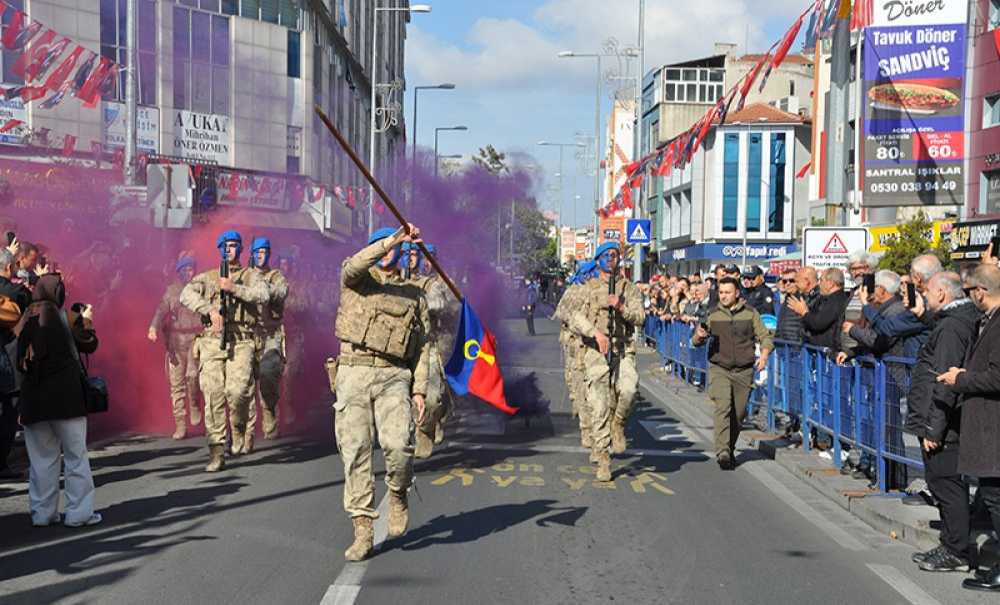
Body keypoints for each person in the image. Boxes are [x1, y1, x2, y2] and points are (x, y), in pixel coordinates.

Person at [333, 225, 430, 562]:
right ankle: (363, 530)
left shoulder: (414, 295)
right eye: (380, 246)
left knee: (399, 446)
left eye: (394, 247)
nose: (388, 252)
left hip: (393, 374)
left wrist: (419, 389)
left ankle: (398, 491)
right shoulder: (357, 280)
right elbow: (354, 265)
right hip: (353, 370)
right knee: (356, 451)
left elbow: (423, 347)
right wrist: (391, 240)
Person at [902, 272, 977, 573]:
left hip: (942, 422)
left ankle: (957, 550)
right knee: (940, 482)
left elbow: (944, 379)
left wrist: (934, 428)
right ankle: (950, 543)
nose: (925, 297)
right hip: (939, 419)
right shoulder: (951, 322)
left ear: (943, 294)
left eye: (929, 292)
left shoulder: (952, 327)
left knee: (946, 484)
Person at [14, 273, 102, 527]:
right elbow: (90, 344)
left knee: (41, 461)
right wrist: (87, 321)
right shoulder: (66, 319)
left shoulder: (25, 321)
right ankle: (79, 514)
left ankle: (42, 514)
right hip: (67, 402)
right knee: (76, 458)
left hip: (34, 403)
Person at [180, 231, 269, 471]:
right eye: (226, 246)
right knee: (213, 395)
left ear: (240, 249)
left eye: (234, 246)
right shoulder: (208, 277)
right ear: (220, 248)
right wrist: (209, 309)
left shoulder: (250, 276)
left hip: (241, 341)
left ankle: (238, 428)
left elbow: (264, 294)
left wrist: (234, 289)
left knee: (238, 391)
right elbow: (185, 294)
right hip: (211, 341)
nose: (230, 250)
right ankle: (216, 450)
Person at [937, 263, 1000, 591]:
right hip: (988, 424)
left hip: (993, 425)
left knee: (994, 495)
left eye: (972, 291)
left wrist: (960, 378)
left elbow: (998, 376)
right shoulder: (989, 321)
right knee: (992, 494)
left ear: (981, 291)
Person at [565, 242, 644, 480]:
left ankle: (618, 423)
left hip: (622, 349)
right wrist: (595, 333)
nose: (611, 259)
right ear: (598, 259)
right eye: (607, 255)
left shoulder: (628, 289)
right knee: (598, 405)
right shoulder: (586, 287)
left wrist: (621, 307)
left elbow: (640, 317)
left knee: (629, 390)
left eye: (615, 255)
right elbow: (574, 316)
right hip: (595, 352)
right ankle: (603, 456)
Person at [693, 277, 773, 470]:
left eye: (728, 292)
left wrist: (763, 356)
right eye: (721, 292)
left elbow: (765, 337)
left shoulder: (751, 313)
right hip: (720, 368)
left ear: (737, 293)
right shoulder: (712, 314)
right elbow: (696, 340)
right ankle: (722, 452)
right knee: (723, 407)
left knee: (739, 414)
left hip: (744, 371)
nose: (724, 296)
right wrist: (699, 336)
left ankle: (730, 446)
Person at [407, 243, 460, 459]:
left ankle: (427, 426)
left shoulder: (443, 283)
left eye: (420, 256)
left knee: (434, 397)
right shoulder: (402, 280)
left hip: (435, 345)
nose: (415, 260)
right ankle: (420, 426)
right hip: (407, 346)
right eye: (409, 255)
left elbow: (455, 308)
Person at [148, 254, 203, 440]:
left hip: (195, 340)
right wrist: (153, 327)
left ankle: (195, 403)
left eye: (191, 269)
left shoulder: (200, 288)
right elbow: (161, 310)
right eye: (185, 270)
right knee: (176, 385)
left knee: (193, 377)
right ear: (179, 272)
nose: (189, 273)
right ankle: (180, 424)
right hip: (176, 343)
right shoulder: (171, 291)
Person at [247, 237, 289, 446]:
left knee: (268, 378)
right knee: (244, 382)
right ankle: (246, 432)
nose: (261, 254)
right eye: (258, 251)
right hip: (248, 333)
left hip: (270, 334)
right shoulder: (246, 276)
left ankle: (270, 414)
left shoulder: (276, 276)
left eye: (264, 251)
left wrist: (262, 286)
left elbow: (281, 292)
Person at [555, 261, 599, 448]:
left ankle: (598, 427)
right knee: (580, 387)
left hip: (598, 347)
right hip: (578, 345)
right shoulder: (574, 291)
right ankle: (586, 429)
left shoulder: (602, 290)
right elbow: (563, 314)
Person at [0, 247, 30, 480]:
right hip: (6, 358)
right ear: (9, 267)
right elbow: (26, 298)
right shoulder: (13, 290)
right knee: (9, 410)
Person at [787, 267, 849, 352]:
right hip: (820, 353)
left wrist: (804, 312)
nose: (819, 284)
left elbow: (818, 323)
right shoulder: (828, 299)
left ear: (830, 283)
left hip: (828, 355)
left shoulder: (835, 301)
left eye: (821, 280)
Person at [775, 269, 804, 343]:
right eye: (784, 281)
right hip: (782, 345)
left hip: (795, 347)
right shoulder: (786, 299)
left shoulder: (802, 299)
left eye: (791, 281)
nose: (787, 284)